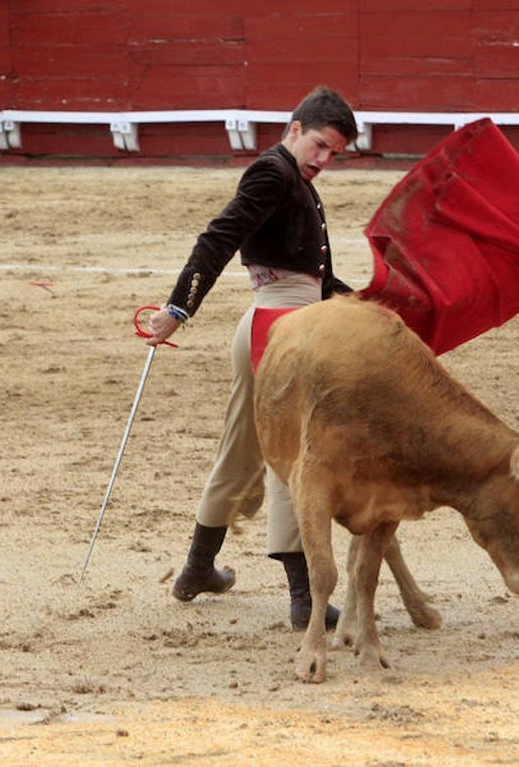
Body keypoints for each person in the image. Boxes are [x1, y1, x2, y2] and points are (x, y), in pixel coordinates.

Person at [143, 85, 358, 630]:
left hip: (270, 325)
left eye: (334, 153)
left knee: (241, 448)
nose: (324, 160)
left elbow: (314, 275)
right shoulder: (273, 174)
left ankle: (197, 567)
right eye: (319, 145)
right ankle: (304, 597)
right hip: (281, 330)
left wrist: (361, 303)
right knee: (294, 455)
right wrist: (178, 307)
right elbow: (218, 238)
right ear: (293, 128)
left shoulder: (294, 179)